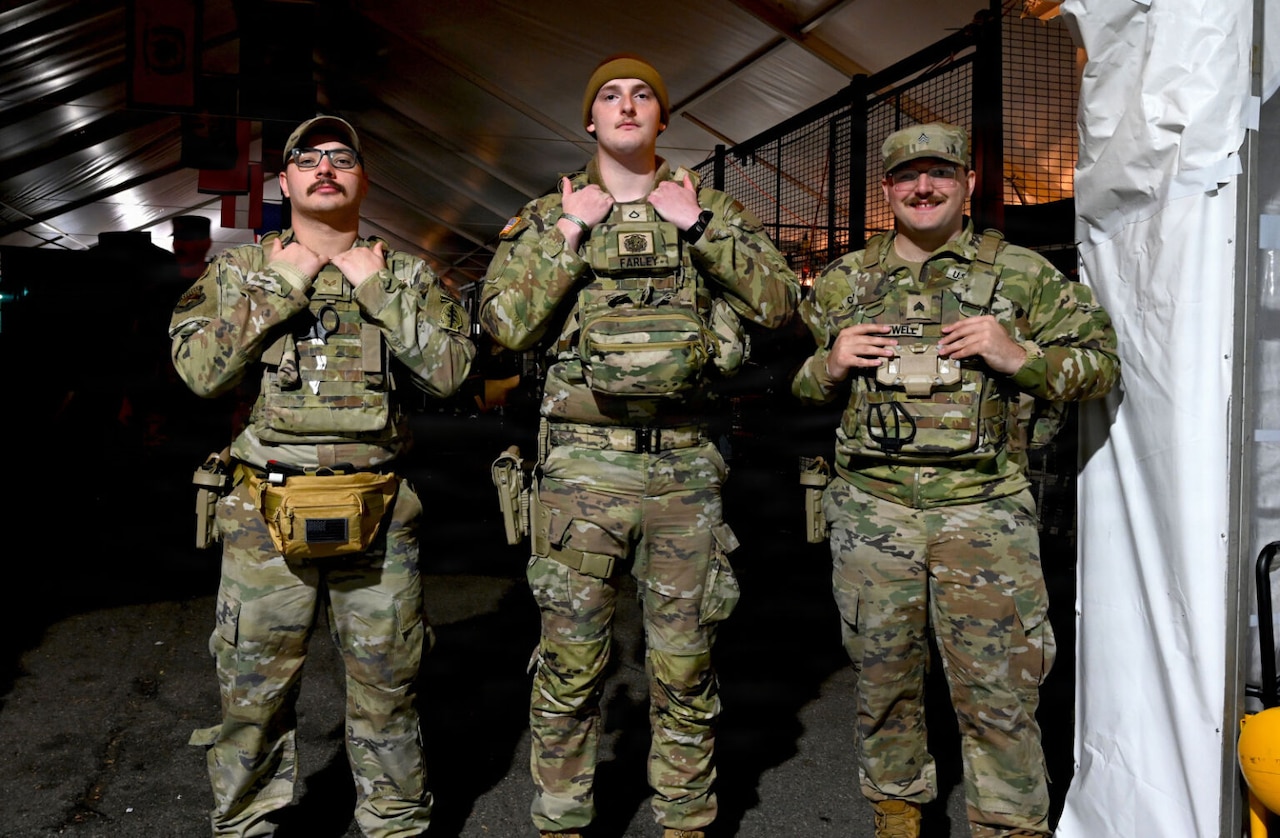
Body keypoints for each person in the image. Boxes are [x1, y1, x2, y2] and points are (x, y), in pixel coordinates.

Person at [480, 54, 799, 838]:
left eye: (643, 95)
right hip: (581, 471)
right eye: (610, 97)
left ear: (664, 118)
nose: (627, 106)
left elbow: (781, 305)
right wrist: (567, 229)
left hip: (685, 466)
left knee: (685, 664)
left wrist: (698, 228)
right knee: (569, 663)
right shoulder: (547, 212)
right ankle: (562, 819)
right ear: (589, 122)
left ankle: (685, 819)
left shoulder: (709, 207)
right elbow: (504, 326)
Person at [790, 122, 1120, 838]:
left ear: (968, 183)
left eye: (940, 172)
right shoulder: (845, 281)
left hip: (983, 513)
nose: (924, 187)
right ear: (886, 190)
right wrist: (832, 363)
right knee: (882, 680)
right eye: (908, 176)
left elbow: (1100, 365)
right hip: (874, 512)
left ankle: (1010, 825)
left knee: (1000, 689)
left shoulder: (1022, 275)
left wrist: (1017, 354)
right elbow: (803, 388)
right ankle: (897, 809)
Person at [170, 114, 475, 838]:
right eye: (308, 159)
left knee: (388, 689)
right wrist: (281, 284)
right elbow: (199, 374)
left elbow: (452, 373)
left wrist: (381, 294)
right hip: (262, 509)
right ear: (285, 181)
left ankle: (395, 824)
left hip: (378, 506)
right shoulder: (242, 271)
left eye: (342, 157)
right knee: (251, 692)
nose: (325, 167)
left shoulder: (399, 272)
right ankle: (245, 825)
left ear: (364, 178)